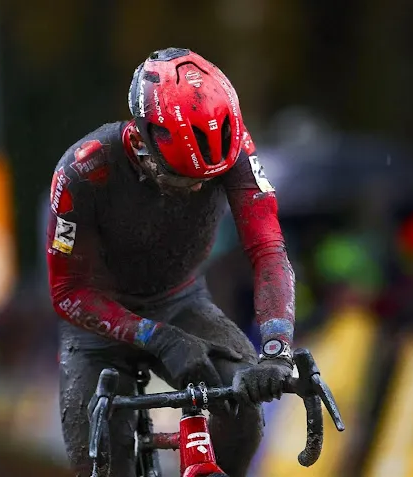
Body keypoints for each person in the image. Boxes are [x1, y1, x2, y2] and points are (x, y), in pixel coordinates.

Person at [46, 48, 296, 477]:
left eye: (208, 180)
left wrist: (276, 348)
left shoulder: (233, 154)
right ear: (143, 141)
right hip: (97, 320)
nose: (198, 189)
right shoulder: (83, 172)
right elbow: (67, 293)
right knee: (101, 458)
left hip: (182, 303)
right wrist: (158, 338)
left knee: (242, 413)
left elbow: (269, 251)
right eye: (183, 178)